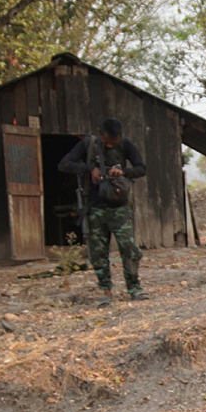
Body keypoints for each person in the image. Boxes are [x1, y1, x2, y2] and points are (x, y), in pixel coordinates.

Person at [58, 117, 148, 306]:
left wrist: (123, 172)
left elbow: (141, 168)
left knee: (129, 248)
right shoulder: (88, 144)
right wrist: (90, 168)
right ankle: (106, 291)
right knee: (98, 252)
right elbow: (64, 164)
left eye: (113, 143)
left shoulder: (125, 145)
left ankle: (134, 288)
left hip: (119, 206)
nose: (109, 146)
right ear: (100, 134)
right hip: (94, 206)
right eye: (106, 142)